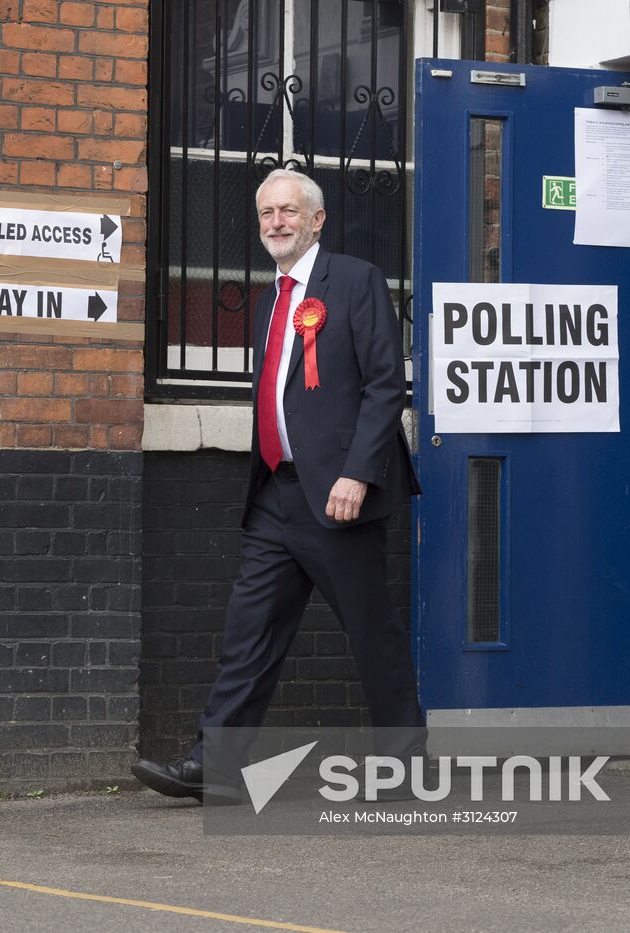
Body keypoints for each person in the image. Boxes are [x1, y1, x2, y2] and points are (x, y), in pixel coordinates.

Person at [132, 169, 424, 800]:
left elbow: (384, 386)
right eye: (266, 213)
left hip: (339, 498)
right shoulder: (270, 298)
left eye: (288, 210)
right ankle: (217, 765)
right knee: (248, 632)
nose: (275, 222)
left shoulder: (353, 280)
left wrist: (356, 473)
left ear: (317, 219)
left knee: (372, 632)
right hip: (273, 494)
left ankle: (407, 764)